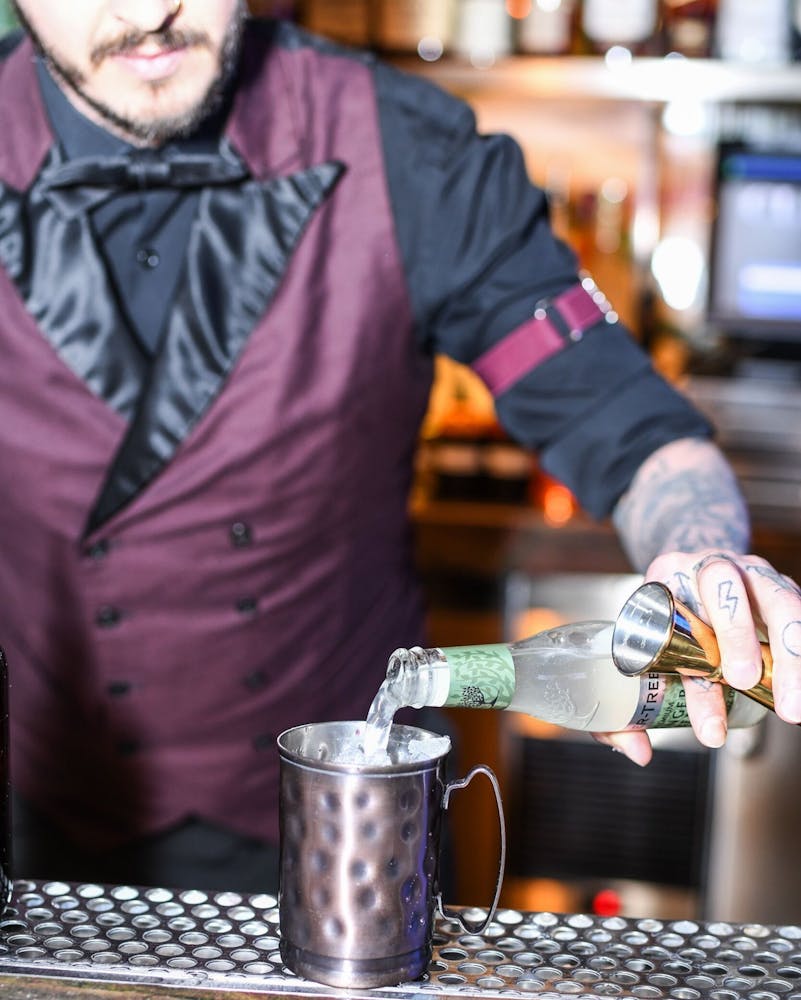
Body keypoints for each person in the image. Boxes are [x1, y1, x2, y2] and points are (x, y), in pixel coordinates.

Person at [0, 0, 799, 895]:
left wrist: (702, 557)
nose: (150, 10)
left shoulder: (407, 152)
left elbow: (618, 416)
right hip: (35, 815)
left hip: (343, 810)